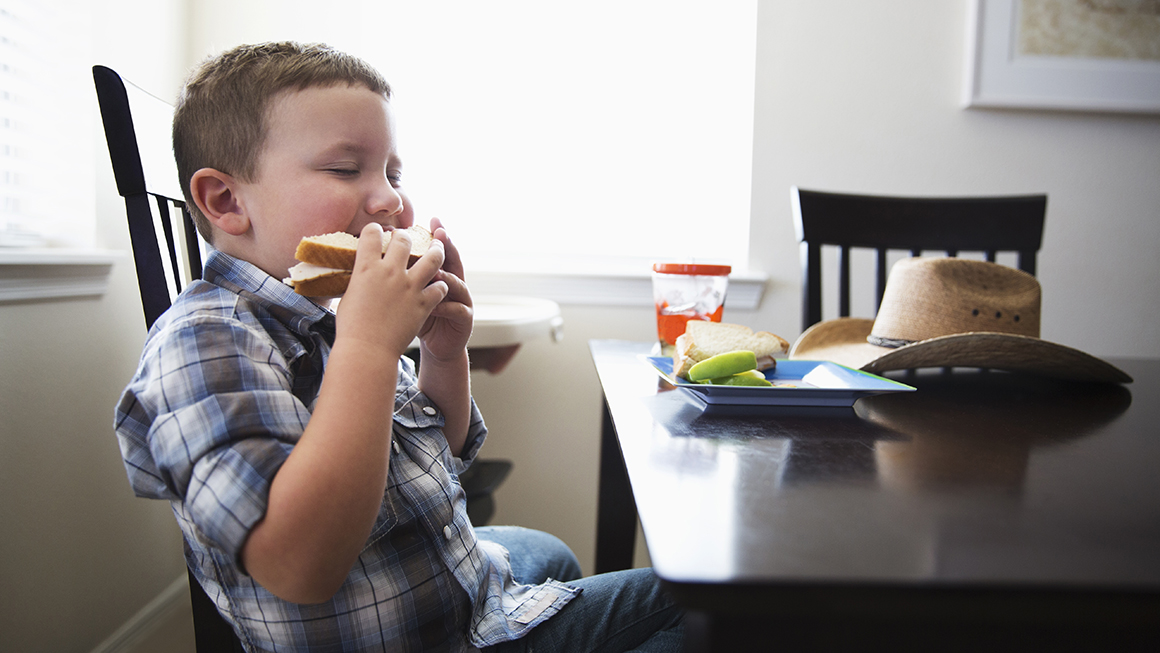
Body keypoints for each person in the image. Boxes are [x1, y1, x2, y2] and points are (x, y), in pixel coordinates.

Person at [113, 41, 683, 652]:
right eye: (345, 169)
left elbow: (445, 457)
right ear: (227, 202)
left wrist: (442, 354)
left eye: (393, 172)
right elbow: (299, 566)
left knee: (551, 554)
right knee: (706, 603)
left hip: (448, 598)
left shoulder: (329, 314)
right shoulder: (203, 343)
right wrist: (370, 347)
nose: (389, 199)